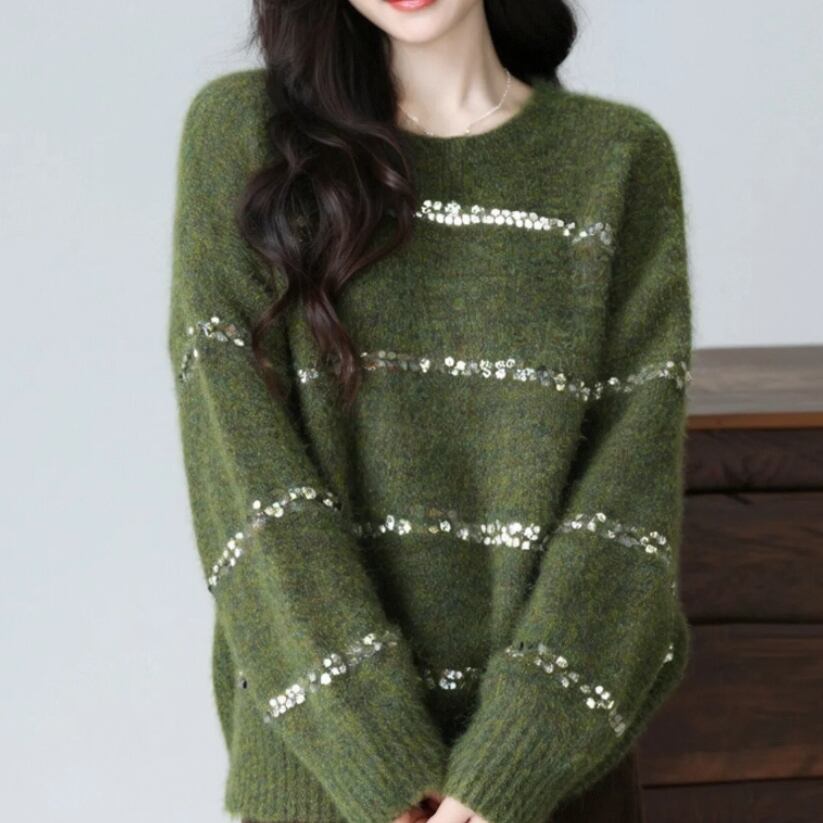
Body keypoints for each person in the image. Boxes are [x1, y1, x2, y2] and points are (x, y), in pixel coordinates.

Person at [166, 1, 693, 822]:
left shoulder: (616, 159)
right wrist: (388, 767)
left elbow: (629, 498)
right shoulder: (245, 139)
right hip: (331, 787)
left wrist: (505, 770)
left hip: (551, 785)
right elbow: (245, 482)